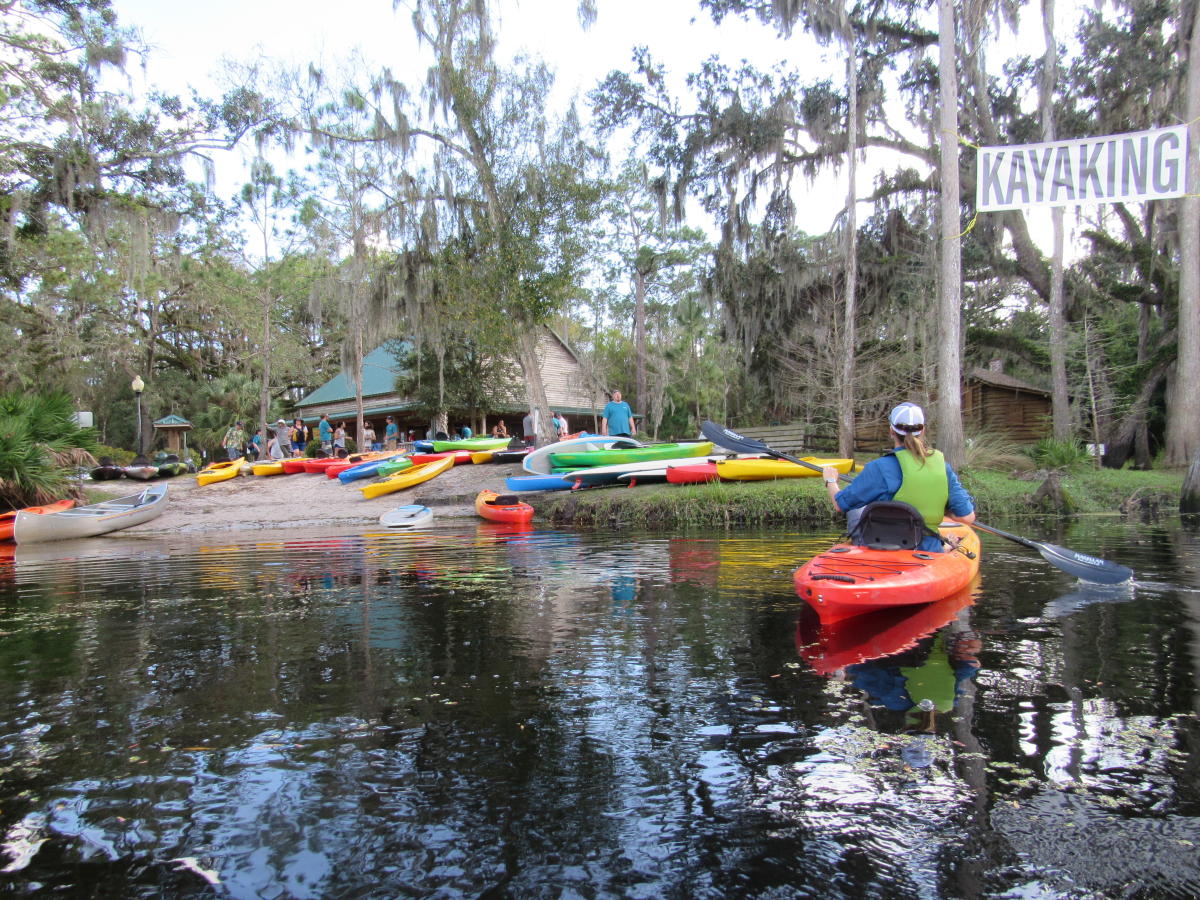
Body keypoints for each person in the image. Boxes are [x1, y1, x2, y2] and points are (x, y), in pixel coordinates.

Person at [821, 402, 976, 553]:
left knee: (857, 509)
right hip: (925, 549)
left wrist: (830, 480)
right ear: (923, 431)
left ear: (891, 431)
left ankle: (859, 549)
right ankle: (944, 547)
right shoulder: (943, 467)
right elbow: (967, 518)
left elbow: (840, 504)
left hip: (879, 546)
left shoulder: (879, 467)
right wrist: (941, 509)